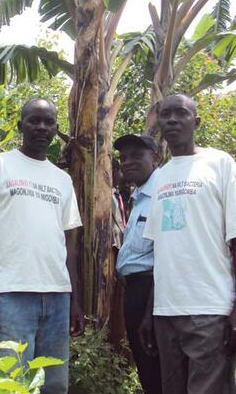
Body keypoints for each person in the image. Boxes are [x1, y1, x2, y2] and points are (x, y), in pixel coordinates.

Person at [0, 98, 84, 394]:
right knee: (10, 383)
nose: (42, 127)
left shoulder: (62, 179)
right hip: (10, 293)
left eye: (49, 122)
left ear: (57, 129)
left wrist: (75, 300)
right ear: (21, 125)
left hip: (57, 296)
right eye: (34, 120)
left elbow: (69, 244)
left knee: (54, 384)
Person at [141, 93, 236, 394]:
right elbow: (162, 250)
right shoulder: (161, 177)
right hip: (166, 312)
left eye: (180, 113)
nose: (171, 119)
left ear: (196, 121)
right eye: (165, 114)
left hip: (209, 308)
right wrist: (149, 313)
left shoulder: (220, 164)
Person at [114, 134, 162, 394]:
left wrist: (149, 313)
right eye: (124, 158)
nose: (127, 162)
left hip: (151, 290)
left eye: (136, 156)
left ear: (155, 156)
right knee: (146, 367)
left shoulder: (161, 193)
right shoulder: (139, 195)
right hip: (135, 290)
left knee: (156, 368)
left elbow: (165, 256)